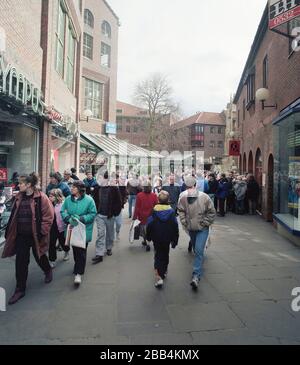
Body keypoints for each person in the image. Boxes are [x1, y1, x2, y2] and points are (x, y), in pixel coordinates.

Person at [2, 173, 54, 305]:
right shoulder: (19, 197)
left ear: (29, 185)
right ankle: (20, 289)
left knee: (40, 256)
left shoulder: (41, 198)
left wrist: (42, 232)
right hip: (21, 236)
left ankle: (47, 270)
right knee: (20, 262)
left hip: (36, 235)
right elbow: (13, 215)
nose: (18, 185)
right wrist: (10, 231)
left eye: (21, 183)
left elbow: (49, 216)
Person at [178, 175, 216, 290]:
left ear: (195, 185)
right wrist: (185, 222)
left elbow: (211, 212)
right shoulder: (183, 197)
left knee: (199, 251)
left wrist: (205, 223)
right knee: (196, 249)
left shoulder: (204, 197)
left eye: (191, 186)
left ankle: (196, 275)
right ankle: (197, 268)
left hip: (202, 228)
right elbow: (181, 210)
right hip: (191, 228)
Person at [61, 181, 97, 286]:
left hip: (84, 230)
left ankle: (78, 273)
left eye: (74, 187)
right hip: (71, 229)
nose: (71, 188)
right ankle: (78, 266)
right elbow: (63, 211)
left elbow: (93, 213)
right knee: (76, 250)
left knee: (81, 251)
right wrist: (67, 218)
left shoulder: (89, 200)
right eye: (72, 187)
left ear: (80, 189)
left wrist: (81, 218)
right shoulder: (68, 199)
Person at [146, 191, 179, 288]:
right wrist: (175, 240)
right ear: (168, 200)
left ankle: (158, 277)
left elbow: (149, 224)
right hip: (167, 238)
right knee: (165, 254)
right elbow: (175, 226)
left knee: (157, 255)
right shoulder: (172, 212)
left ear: (158, 200)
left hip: (156, 237)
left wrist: (148, 237)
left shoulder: (154, 211)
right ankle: (163, 271)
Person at [92, 172, 122, 263]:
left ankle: (109, 247)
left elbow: (119, 202)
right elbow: (94, 200)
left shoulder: (114, 189)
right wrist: (95, 212)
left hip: (109, 215)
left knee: (110, 233)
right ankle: (99, 253)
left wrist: (115, 213)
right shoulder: (98, 188)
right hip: (99, 215)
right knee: (100, 234)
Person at [133, 181, 158, 252]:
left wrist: (135, 217)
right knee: (151, 230)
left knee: (144, 231)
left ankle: (146, 242)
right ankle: (148, 242)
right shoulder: (154, 195)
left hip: (142, 217)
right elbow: (156, 206)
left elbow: (137, 207)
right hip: (151, 217)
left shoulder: (139, 195)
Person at [48, 189, 70, 268]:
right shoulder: (49, 204)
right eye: (49, 196)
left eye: (51, 196)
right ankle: (52, 260)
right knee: (51, 244)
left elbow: (67, 215)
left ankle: (66, 251)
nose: (49, 197)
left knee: (63, 242)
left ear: (57, 197)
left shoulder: (63, 204)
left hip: (62, 227)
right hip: (52, 227)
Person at [115, 173, 128, 241]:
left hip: (119, 207)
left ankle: (117, 232)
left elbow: (125, 194)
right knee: (111, 224)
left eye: (116, 178)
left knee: (119, 223)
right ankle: (111, 236)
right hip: (110, 208)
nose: (115, 179)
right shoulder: (109, 186)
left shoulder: (122, 186)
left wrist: (124, 201)